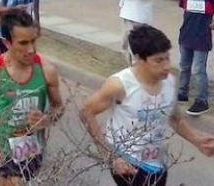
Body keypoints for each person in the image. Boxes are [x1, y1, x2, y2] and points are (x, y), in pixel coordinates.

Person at [80, 25, 214, 186]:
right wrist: (111, 157)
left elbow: (175, 119)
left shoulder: (169, 82)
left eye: (167, 58)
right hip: (128, 163)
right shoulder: (120, 85)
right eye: (158, 60)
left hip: (157, 162)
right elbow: (86, 112)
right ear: (139, 59)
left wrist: (197, 141)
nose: (166, 66)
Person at [0, 9, 63, 184]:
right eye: (23, 43)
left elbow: (58, 106)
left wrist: (47, 119)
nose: (31, 49)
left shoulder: (47, 71)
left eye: (33, 41)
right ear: (7, 43)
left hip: (30, 150)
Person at [177, 0, 214, 115]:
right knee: (184, 66)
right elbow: (184, 8)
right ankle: (182, 93)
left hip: (201, 38)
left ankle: (202, 101)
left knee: (198, 69)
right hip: (186, 35)